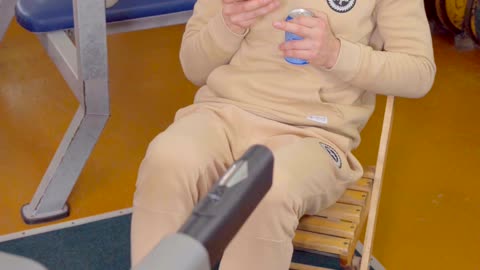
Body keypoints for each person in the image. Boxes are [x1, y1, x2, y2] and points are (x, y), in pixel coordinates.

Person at [130, 0, 436, 269]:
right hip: (222, 113)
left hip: (314, 134)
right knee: (167, 158)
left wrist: (336, 53)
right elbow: (193, 67)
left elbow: (419, 73)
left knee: (269, 188)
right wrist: (228, 24)